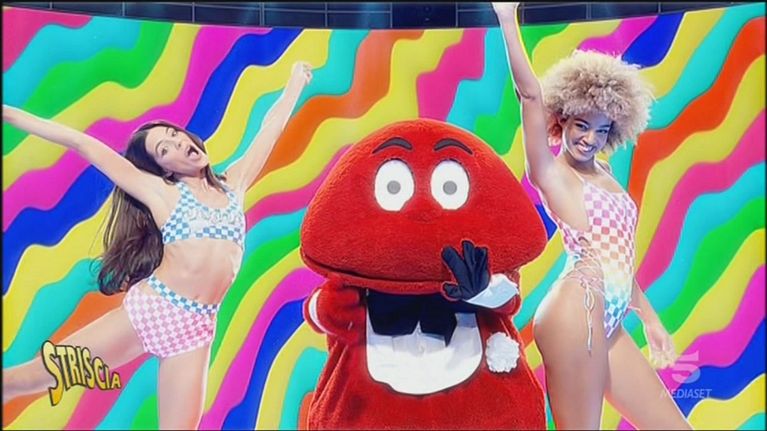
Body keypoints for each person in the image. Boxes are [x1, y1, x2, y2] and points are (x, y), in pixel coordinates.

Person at [2, 61, 312, 429]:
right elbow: (83, 144)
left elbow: (270, 130)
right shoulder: (162, 193)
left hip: (197, 330)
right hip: (151, 313)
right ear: (165, 168)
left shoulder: (235, 185)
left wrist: (296, 82)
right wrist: (9, 114)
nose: (179, 143)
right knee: (34, 377)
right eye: (165, 149)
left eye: (175, 135)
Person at [492, 2, 691, 429]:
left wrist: (650, 319)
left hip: (611, 316)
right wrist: (507, 18)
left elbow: (617, 257)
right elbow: (530, 95)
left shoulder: (605, 173)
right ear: (562, 120)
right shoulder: (551, 173)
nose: (590, 139)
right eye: (582, 125)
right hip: (575, 311)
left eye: (601, 130)